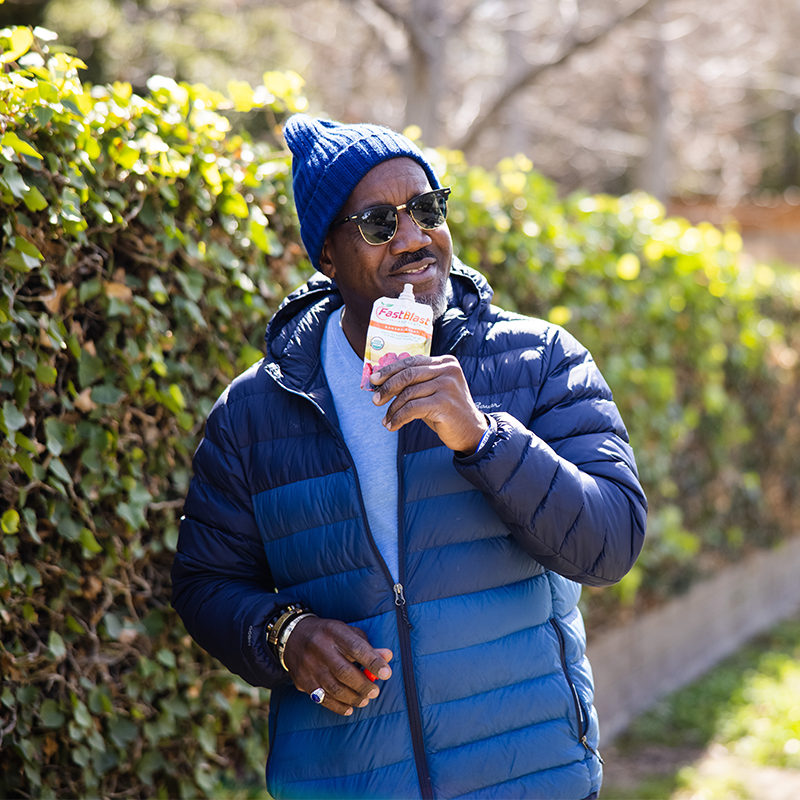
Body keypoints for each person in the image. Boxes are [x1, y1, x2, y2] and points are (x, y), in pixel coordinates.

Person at [171, 114, 647, 800]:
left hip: (527, 777)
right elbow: (205, 583)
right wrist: (284, 634)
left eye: (427, 209)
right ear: (327, 255)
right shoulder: (254, 410)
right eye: (378, 223)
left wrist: (482, 436)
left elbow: (611, 543)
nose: (415, 237)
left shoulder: (540, 360)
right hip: (347, 782)